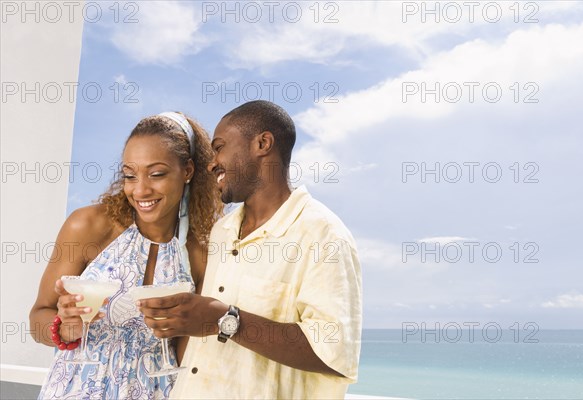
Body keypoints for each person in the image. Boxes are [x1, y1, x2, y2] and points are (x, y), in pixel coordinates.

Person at [137, 100, 362, 399]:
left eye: (219, 147)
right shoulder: (222, 231)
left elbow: (333, 352)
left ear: (262, 143)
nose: (212, 162)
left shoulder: (323, 235)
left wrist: (227, 321)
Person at [29, 112, 222, 399]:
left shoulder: (199, 254)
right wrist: (64, 328)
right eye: (130, 175)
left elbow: (183, 356)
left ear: (188, 171)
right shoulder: (88, 227)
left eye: (157, 174)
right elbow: (38, 317)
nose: (141, 189)